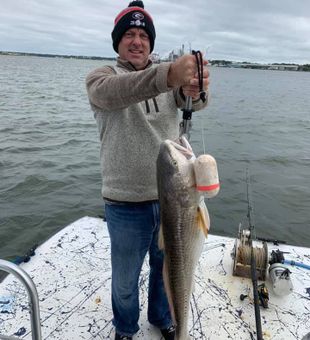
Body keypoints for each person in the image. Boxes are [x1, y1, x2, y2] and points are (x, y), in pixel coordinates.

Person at [86, 1, 209, 339]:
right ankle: (125, 328)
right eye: (129, 34)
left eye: (143, 35)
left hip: (172, 199)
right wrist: (169, 75)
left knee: (166, 269)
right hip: (124, 204)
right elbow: (122, 91)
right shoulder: (101, 79)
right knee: (125, 279)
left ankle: (163, 318)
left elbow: (192, 102)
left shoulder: (167, 79)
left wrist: (194, 87)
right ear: (117, 42)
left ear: (151, 42)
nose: (137, 41)